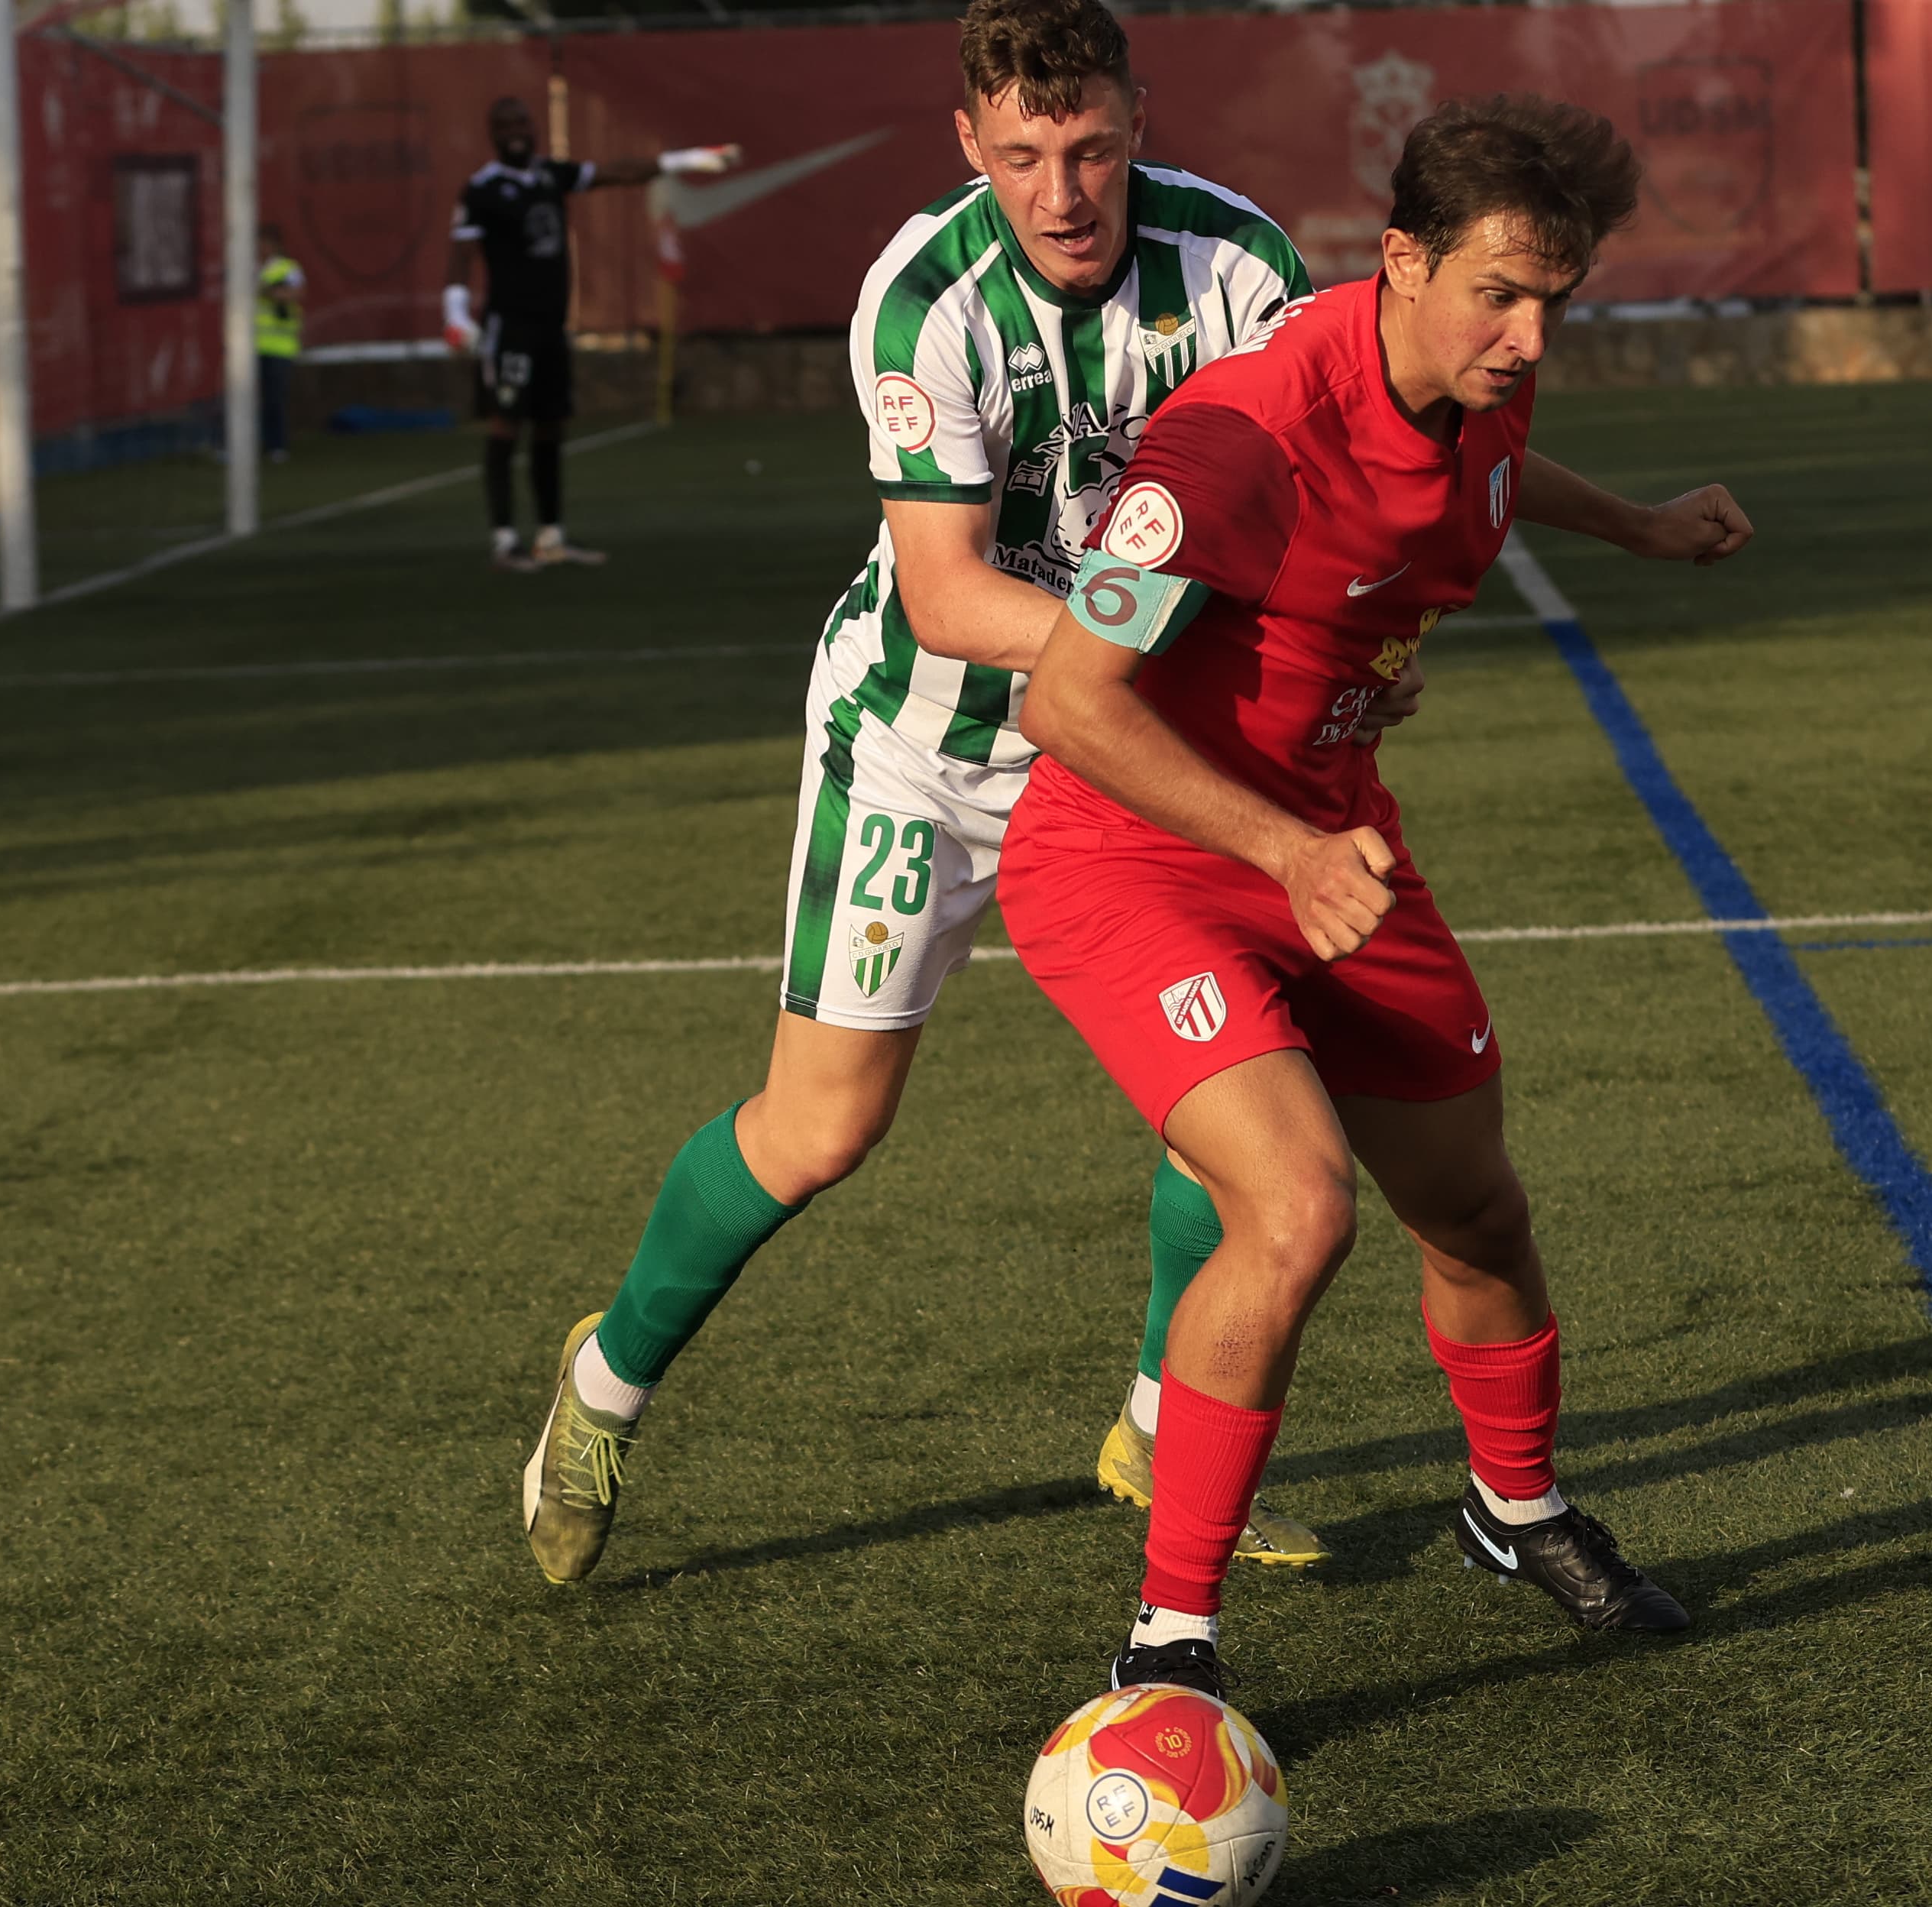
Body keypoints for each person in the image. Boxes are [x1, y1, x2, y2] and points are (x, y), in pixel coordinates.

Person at [520, 0, 1388, 1586]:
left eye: (1095, 150)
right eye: (1025, 157)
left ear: (1139, 119)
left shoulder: (1244, 272)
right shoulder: (926, 294)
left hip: (1139, 760)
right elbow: (948, 594)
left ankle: (1157, 1429)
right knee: (823, 1129)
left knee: (1236, 1120)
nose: (1064, 192)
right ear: (968, 146)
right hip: (930, 748)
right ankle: (601, 1385)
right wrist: (1146, 651)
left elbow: (1306, 510)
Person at [999, 92, 1756, 1697]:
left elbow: (1488, 466)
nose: (1530, 334)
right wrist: (1278, 845)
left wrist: (1634, 525)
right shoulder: (1237, 436)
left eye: (1557, 297)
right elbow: (1065, 702)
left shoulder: (1476, 381)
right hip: (1139, 862)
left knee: (1476, 1207)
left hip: (1333, 846)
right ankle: (1172, 1640)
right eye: (1499, 293)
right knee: (1298, 1208)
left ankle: (1516, 1505)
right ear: (1402, 260)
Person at [442, 99, 740, 571]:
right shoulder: (482, 190)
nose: (517, 131)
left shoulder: (548, 175)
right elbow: (461, 254)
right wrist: (455, 313)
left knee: (550, 426)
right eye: (506, 125)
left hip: (550, 326)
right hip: (510, 328)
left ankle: (550, 537)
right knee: (504, 425)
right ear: (491, 132)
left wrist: (680, 161)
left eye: (522, 122)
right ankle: (503, 540)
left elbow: (614, 173)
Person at [257, 224, 303, 463]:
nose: (260, 248)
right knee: (253, 399)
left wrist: (264, 290)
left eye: (265, 242)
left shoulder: (288, 269)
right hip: (253, 346)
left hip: (280, 346)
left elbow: (292, 294)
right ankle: (254, 444)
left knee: (275, 398)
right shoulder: (251, 268)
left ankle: (278, 446)